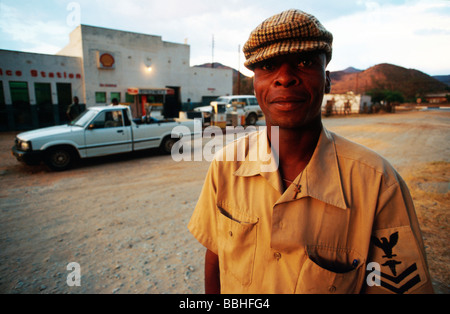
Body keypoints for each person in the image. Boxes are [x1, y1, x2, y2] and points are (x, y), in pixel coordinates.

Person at [188, 9, 434, 294]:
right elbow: (215, 257)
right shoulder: (225, 166)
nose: (285, 78)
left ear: (327, 80)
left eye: (304, 62)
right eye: (268, 66)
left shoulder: (378, 183)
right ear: (254, 86)